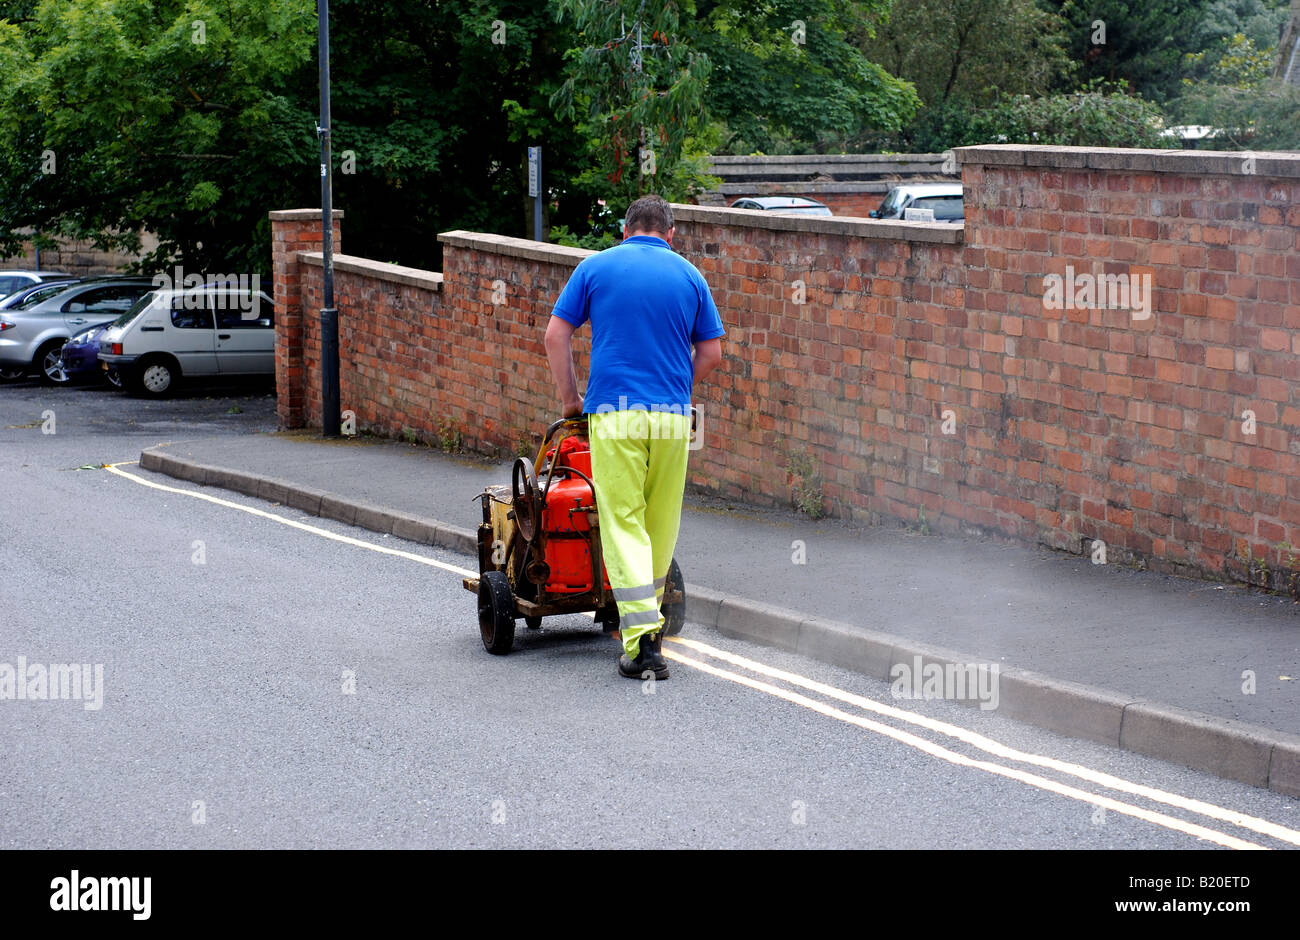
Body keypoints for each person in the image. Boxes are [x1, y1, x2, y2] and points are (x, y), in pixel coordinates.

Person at [545, 194, 724, 680]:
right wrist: (674, 385)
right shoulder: (690, 275)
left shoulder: (595, 268)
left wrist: (570, 399)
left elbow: (555, 335)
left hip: (614, 415)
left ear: (625, 231)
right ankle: (654, 629)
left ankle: (642, 643)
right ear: (670, 234)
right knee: (659, 522)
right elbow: (711, 354)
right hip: (670, 417)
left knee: (622, 520)